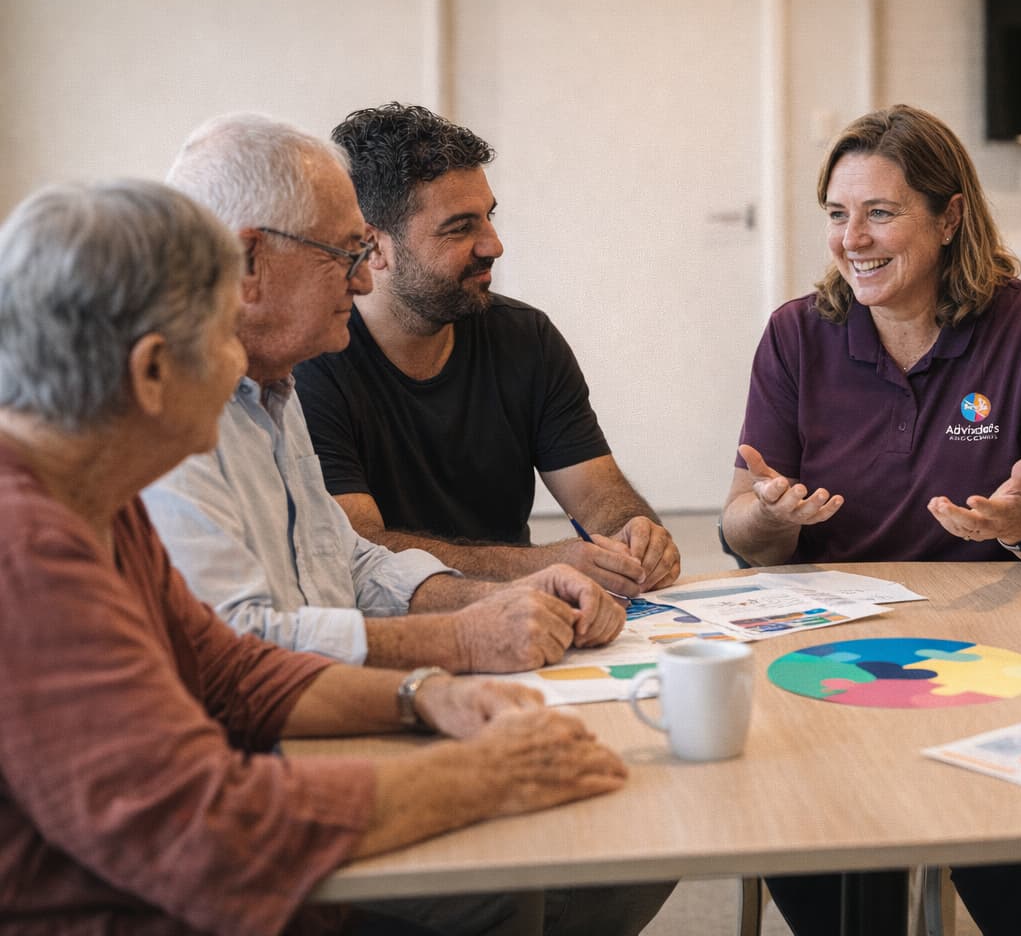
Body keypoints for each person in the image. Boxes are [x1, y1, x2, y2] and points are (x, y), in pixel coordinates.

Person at [0, 179, 631, 934]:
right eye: (221, 336)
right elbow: (209, 835)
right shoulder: (26, 549)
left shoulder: (96, 495)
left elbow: (227, 668)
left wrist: (423, 693)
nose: (239, 359)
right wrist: (490, 773)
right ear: (153, 372)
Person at [724, 105, 1021, 935]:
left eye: (881, 212)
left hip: (987, 646)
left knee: (1013, 893)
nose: (852, 238)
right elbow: (738, 528)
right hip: (821, 643)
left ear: (950, 217)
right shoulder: (798, 333)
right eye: (837, 214)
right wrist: (772, 520)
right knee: (830, 874)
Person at [143, 112, 626, 675]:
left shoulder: (273, 385)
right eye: (344, 253)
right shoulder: (166, 414)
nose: (364, 279)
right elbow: (233, 647)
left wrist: (507, 593)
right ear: (250, 261)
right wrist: (459, 641)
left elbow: (348, 563)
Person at [291, 102, 679, 598]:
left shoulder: (525, 336)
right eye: (460, 227)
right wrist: (546, 563)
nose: (493, 244)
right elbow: (361, 547)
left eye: (489, 218)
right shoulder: (313, 362)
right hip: (398, 633)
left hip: (529, 621)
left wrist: (634, 534)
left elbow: (596, 491)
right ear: (374, 246)